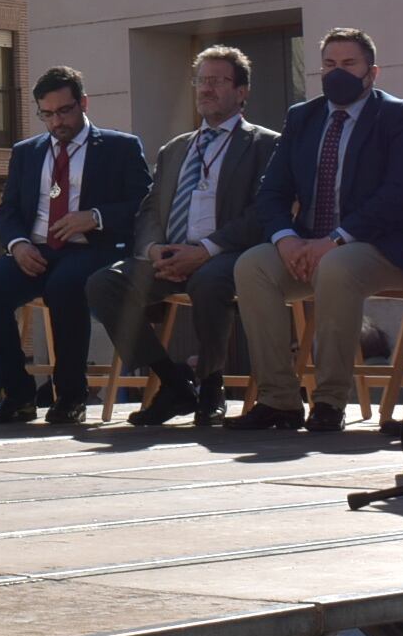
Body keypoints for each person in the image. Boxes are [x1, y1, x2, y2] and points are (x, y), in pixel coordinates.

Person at [232, 28, 403, 435]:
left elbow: (400, 194)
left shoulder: (400, 115)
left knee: (337, 265)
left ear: (371, 72)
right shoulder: (302, 117)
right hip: (308, 242)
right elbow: (271, 192)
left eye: (349, 64)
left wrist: (335, 239)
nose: (337, 73)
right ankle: (279, 400)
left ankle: (329, 400)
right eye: (329, 65)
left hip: (382, 246)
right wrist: (285, 238)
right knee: (252, 266)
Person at [85, 45, 277, 431]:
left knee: (208, 281)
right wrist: (155, 249)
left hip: (225, 254)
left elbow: (262, 213)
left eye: (217, 81)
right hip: (169, 255)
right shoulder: (175, 149)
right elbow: (151, 209)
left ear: (242, 91)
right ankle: (173, 382)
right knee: (104, 283)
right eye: (200, 81)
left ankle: (211, 384)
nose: (206, 89)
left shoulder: (265, 145)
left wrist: (204, 251)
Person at [0, 66, 150, 427]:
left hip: (90, 249)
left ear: (83, 103)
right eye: (47, 114)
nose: (57, 122)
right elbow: (7, 209)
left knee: (64, 287)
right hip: (35, 250)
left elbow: (145, 204)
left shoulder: (119, 147)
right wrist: (18, 245)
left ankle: (70, 396)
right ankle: (18, 396)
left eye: (65, 111)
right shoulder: (26, 152)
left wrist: (96, 216)